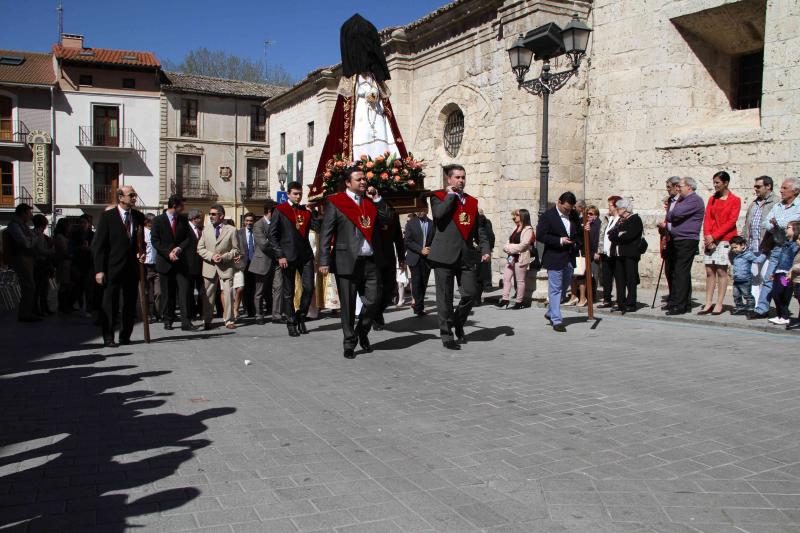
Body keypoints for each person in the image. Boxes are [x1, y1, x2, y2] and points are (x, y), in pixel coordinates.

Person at [319, 169, 391, 359]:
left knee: (374, 300)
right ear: (348, 183)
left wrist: (377, 198)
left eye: (364, 179)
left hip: (370, 260)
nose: (363, 182)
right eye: (359, 179)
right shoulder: (336, 203)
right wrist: (324, 260)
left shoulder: (370, 202)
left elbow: (387, 219)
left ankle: (362, 331)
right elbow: (326, 234)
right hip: (346, 260)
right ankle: (349, 342)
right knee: (349, 305)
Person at [428, 164, 491, 349]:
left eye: (463, 177)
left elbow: (480, 230)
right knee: (445, 297)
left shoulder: (472, 201)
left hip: (465, 256)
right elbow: (439, 216)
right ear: (449, 179)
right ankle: (447, 335)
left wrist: (485, 249)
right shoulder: (438, 196)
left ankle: (457, 321)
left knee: (471, 293)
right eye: (457, 177)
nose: (461, 180)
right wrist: (450, 195)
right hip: (444, 256)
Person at [92, 186, 146, 347]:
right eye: (131, 195)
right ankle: (108, 337)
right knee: (110, 304)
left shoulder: (138, 217)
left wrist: (141, 252)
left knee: (130, 304)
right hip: (112, 268)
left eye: (135, 194)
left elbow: (140, 242)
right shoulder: (108, 217)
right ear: (120, 197)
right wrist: (99, 270)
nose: (134, 197)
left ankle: (125, 336)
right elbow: (98, 246)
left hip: (131, 268)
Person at [269, 182, 316, 336]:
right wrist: (280, 255)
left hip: (306, 256)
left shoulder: (305, 211)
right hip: (287, 257)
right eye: (295, 193)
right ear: (288, 194)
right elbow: (272, 235)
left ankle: (301, 316)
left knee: (309, 288)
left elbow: (318, 226)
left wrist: (313, 211)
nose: (298, 196)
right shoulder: (280, 210)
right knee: (288, 291)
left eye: (300, 193)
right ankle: (290, 321)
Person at [750, 178, 800, 320]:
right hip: (778, 247)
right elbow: (767, 222)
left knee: (787, 281)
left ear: (795, 191)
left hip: (792, 249)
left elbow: (791, 224)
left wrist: (778, 223)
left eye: (785, 188)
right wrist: (777, 224)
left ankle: (783, 312)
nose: (781, 190)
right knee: (769, 278)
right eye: (782, 187)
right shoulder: (778, 206)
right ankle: (762, 309)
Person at [537, 192, 581, 332]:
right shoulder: (548, 216)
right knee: (555, 289)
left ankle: (551, 311)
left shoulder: (573, 215)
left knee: (564, 286)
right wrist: (560, 240)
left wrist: (583, 231)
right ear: (559, 202)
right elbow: (540, 235)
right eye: (566, 208)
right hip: (554, 256)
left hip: (569, 256)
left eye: (570, 209)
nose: (568, 211)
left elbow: (578, 231)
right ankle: (557, 320)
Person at [151, 195, 195, 331]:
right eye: (182, 205)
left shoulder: (183, 220)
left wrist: (179, 248)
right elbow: (155, 241)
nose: (184, 208)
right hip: (165, 263)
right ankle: (168, 320)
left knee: (184, 291)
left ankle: (186, 322)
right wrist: (168, 253)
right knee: (168, 293)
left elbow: (189, 237)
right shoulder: (158, 220)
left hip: (181, 263)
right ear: (175, 205)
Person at [699, 171, 741, 315]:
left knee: (721, 271)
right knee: (710, 271)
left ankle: (719, 303)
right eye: (714, 182)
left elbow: (731, 221)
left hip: (725, 239)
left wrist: (715, 236)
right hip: (711, 239)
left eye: (717, 182)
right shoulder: (712, 199)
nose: (715, 185)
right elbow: (708, 218)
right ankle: (708, 302)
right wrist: (707, 236)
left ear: (726, 183)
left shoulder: (735, 200)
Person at [665, 177, 705, 315]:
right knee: (678, 272)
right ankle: (680, 302)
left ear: (689, 187)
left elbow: (675, 213)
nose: (678, 188)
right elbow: (671, 215)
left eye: (680, 186)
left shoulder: (694, 200)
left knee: (680, 272)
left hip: (687, 240)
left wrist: (672, 214)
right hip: (679, 239)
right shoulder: (683, 200)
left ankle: (680, 305)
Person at [197, 204, 240, 330]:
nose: (211, 216)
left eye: (213, 214)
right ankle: (207, 320)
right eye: (210, 214)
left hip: (226, 266)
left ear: (221, 216)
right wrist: (211, 256)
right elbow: (200, 248)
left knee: (228, 293)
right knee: (208, 295)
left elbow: (236, 250)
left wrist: (224, 256)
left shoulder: (231, 230)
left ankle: (229, 320)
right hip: (209, 266)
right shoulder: (206, 230)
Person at [742, 176, 777, 303]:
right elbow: (747, 224)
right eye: (755, 186)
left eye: (758, 186)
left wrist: (771, 244)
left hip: (767, 247)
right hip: (752, 246)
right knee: (754, 277)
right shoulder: (754, 203)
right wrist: (743, 241)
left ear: (768, 186)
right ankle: (755, 305)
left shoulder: (776, 202)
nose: (755, 188)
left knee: (765, 277)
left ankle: (763, 306)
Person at [607, 198, 644, 313]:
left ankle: (631, 303)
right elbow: (611, 234)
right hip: (619, 254)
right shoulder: (621, 221)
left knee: (630, 279)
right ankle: (620, 302)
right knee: (620, 279)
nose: (617, 210)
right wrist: (619, 234)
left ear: (624, 209)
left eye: (618, 208)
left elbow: (629, 236)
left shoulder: (635, 219)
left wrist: (619, 235)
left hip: (630, 254)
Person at [374, 203, 405, 330]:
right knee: (376, 290)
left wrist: (401, 257)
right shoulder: (371, 210)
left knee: (389, 290)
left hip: (389, 256)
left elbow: (398, 237)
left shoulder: (393, 214)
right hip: (374, 256)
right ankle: (376, 316)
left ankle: (378, 311)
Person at [5, 204, 39, 321]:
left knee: (29, 286)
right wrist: (33, 238)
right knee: (29, 285)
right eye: (30, 213)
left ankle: (26, 312)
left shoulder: (22, 226)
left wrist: (32, 237)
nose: (31, 215)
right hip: (20, 258)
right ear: (23, 213)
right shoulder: (14, 226)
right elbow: (26, 243)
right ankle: (25, 313)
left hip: (26, 257)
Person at [498, 208, 534, 309]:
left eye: (517, 215)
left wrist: (510, 248)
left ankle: (519, 301)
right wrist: (507, 247)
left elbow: (524, 245)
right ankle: (505, 299)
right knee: (506, 277)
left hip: (521, 257)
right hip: (511, 257)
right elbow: (508, 241)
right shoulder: (516, 228)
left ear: (523, 216)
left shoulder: (528, 229)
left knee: (520, 280)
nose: (514, 217)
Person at [767, 221, 800, 326]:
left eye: (789, 227)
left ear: (795, 230)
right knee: (775, 293)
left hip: (786, 274)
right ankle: (780, 315)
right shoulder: (785, 243)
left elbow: (795, 260)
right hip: (779, 272)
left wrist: (790, 272)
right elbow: (780, 259)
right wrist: (774, 272)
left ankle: (784, 316)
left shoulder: (795, 245)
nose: (786, 229)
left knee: (780, 293)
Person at [568, 205, 600, 307]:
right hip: (579, 251)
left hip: (590, 253)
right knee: (574, 275)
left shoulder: (597, 224)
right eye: (587, 214)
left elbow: (595, 239)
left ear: (596, 215)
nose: (588, 216)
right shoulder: (581, 222)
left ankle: (587, 297)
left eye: (591, 214)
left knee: (588, 276)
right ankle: (574, 296)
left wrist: (596, 252)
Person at [404, 206, 434, 316]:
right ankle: (418, 307)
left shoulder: (432, 224)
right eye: (418, 209)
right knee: (416, 283)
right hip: (415, 257)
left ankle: (419, 305)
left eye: (422, 209)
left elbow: (435, 239)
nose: (420, 211)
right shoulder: (411, 223)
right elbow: (408, 241)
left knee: (424, 283)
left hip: (427, 258)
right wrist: (420, 250)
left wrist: (430, 248)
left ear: (426, 210)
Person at [656, 177, 681, 310]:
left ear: (676, 186)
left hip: (678, 240)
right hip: (668, 240)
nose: (667, 190)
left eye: (669, 187)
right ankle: (672, 297)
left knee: (677, 272)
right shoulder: (671, 201)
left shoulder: (681, 201)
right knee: (669, 271)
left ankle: (679, 299)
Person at [728, 236, 764, 315]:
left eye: (735, 247)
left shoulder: (748, 254)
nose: (734, 250)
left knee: (747, 295)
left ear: (743, 245)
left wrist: (764, 254)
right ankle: (740, 307)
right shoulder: (735, 255)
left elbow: (757, 260)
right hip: (737, 279)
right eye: (732, 248)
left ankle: (751, 308)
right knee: (736, 295)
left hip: (745, 280)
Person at [597, 196, 622, 308]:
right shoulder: (608, 219)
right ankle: (607, 299)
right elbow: (602, 235)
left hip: (616, 253)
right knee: (606, 278)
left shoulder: (621, 220)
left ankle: (620, 300)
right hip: (606, 253)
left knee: (618, 277)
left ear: (616, 206)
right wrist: (600, 250)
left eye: (610, 205)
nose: (608, 207)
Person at [235, 213, 258, 319]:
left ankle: (252, 309)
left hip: (255, 262)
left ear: (254, 221)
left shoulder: (257, 232)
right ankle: (245, 307)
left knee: (254, 287)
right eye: (247, 221)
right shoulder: (239, 233)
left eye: (251, 221)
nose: (249, 223)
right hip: (243, 263)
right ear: (244, 221)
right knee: (243, 287)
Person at [185, 209, 205, 320]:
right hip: (189, 265)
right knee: (189, 291)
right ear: (195, 219)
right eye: (201, 218)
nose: (202, 220)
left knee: (202, 291)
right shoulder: (185, 229)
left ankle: (201, 311)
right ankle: (191, 313)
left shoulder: (202, 230)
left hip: (202, 265)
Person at [143, 213, 161, 323]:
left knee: (158, 292)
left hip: (157, 265)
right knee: (146, 292)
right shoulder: (142, 233)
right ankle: (147, 314)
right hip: (146, 266)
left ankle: (158, 313)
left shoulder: (157, 233)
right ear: (148, 222)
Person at [53, 218, 74, 314]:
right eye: (69, 225)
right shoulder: (60, 237)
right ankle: (62, 307)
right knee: (64, 285)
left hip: (67, 263)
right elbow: (64, 251)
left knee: (67, 285)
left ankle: (66, 306)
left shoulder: (64, 236)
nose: (70, 227)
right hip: (64, 263)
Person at [476, 208, 495, 304]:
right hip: (485, 248)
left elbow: (488, 235)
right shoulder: (488, 221)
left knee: (478, 273)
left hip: (480, 248)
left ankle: (478, 297)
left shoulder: (483, 222)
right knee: (485, 270)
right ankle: (487, 286)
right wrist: (490, 247)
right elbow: (491, 235)